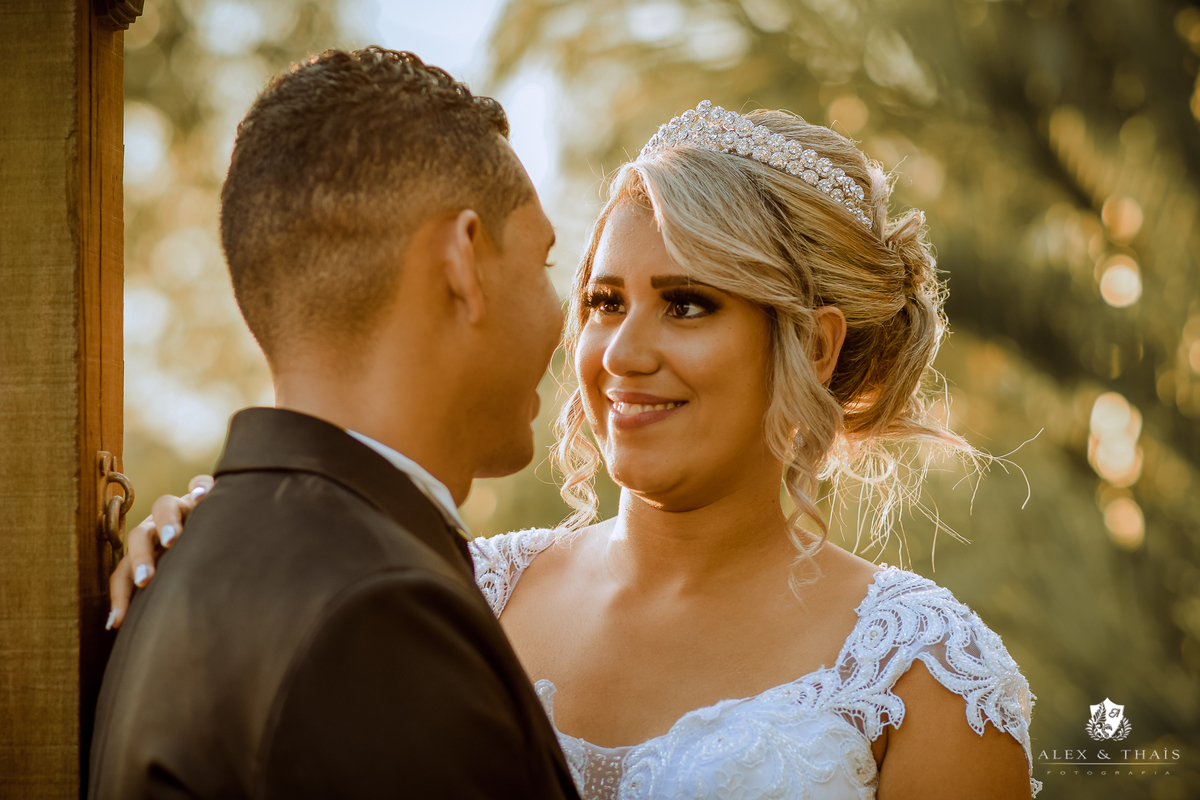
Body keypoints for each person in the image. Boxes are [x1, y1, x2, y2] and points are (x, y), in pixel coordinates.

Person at [110, 100, 1042, 799]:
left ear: (817, 344)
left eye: (687, 303)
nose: (622, 355)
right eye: (602, 301)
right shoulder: (447, 594)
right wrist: (222, 534)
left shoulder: (922, 679)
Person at [89, 47, 580, 799]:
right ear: (463, 261)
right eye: (545, 266)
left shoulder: (191, 556)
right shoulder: (379, 616)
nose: (565, 324)